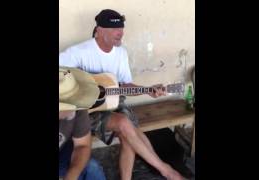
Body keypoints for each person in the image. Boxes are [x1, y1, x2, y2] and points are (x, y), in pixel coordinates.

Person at [59, 9, 184, 180]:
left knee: (130, 133)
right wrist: (83, 90)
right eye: (114, 28)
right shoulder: (78, 52)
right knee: (125, 125)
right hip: (85, 111)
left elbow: (124, 84)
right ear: (99, 30)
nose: (121, 33)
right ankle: (166, 171)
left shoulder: (121, 53)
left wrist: (148, 90)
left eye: (121, 28)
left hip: (114, 101)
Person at [59, 67, 106, 180]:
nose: (75, 106)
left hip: (62, 153)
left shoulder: (77, 106)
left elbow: (82, 146)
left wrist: (71, 176)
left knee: (91, 167)